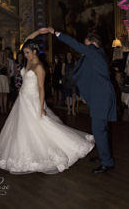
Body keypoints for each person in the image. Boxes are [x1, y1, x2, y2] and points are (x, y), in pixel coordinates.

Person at [0, 28, 94, 174]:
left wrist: (41, 107)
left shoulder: (39, 67)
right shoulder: (28, 61)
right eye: (25, 53)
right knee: (20, 128)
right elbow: (26, 42)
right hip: (22, 100)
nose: (25, 55)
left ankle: (69, 147)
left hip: (33, 100)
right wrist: (39, 32)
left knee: (41, 126)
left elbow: (42, 89)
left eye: (28, 53)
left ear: (35, 52)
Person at [47, 27, 116, 174]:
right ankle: (104, 156)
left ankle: (107, 162)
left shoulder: (95, 52)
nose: (85, 47)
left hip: (101, 97)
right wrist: (86, 94)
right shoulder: (97, 55)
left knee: (99, 130)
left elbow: (75, 45)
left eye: (87, 44)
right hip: (99, 96)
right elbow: (89, 75)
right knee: (100, 129)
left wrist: (56, 33)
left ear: (92, 43)